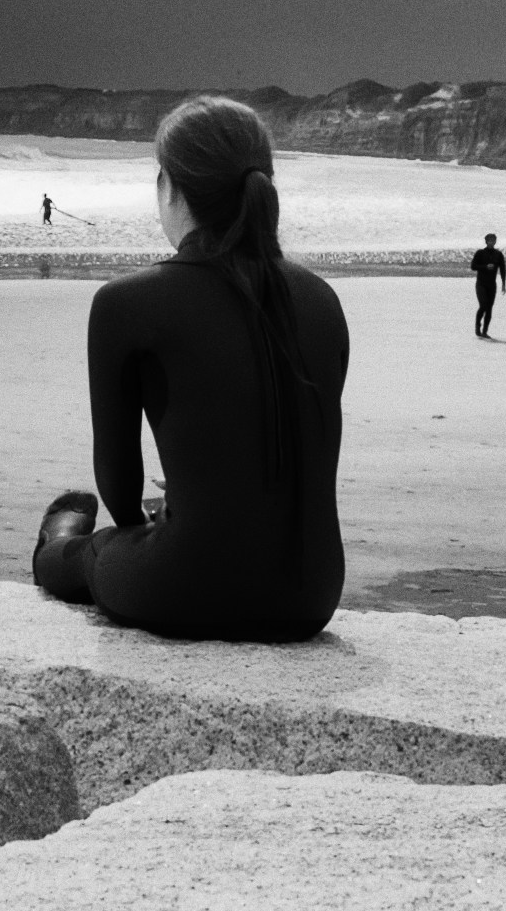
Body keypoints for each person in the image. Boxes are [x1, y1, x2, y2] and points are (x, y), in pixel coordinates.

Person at [31, 95, 346, 641]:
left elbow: (119, 486)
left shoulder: (126, 302)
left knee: (86, 554)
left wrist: (141, 535)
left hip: (184, 591)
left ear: (170, 187)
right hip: (311, 596)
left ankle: (58, 540)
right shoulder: (322, 299)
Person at [470, 232, 506, 339]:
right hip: (481, 284)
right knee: (483, 305)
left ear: (495, 242)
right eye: (489, 240)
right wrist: (485, 267)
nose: (491, 242)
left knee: (489, 308)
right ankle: (478, 327)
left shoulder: (498, 254)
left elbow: (503, 269)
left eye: (493, 240)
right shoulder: (480, 253)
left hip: (492, 285)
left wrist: (503, 283)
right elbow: (473, 266)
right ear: (486, 242)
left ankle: (485, 332)